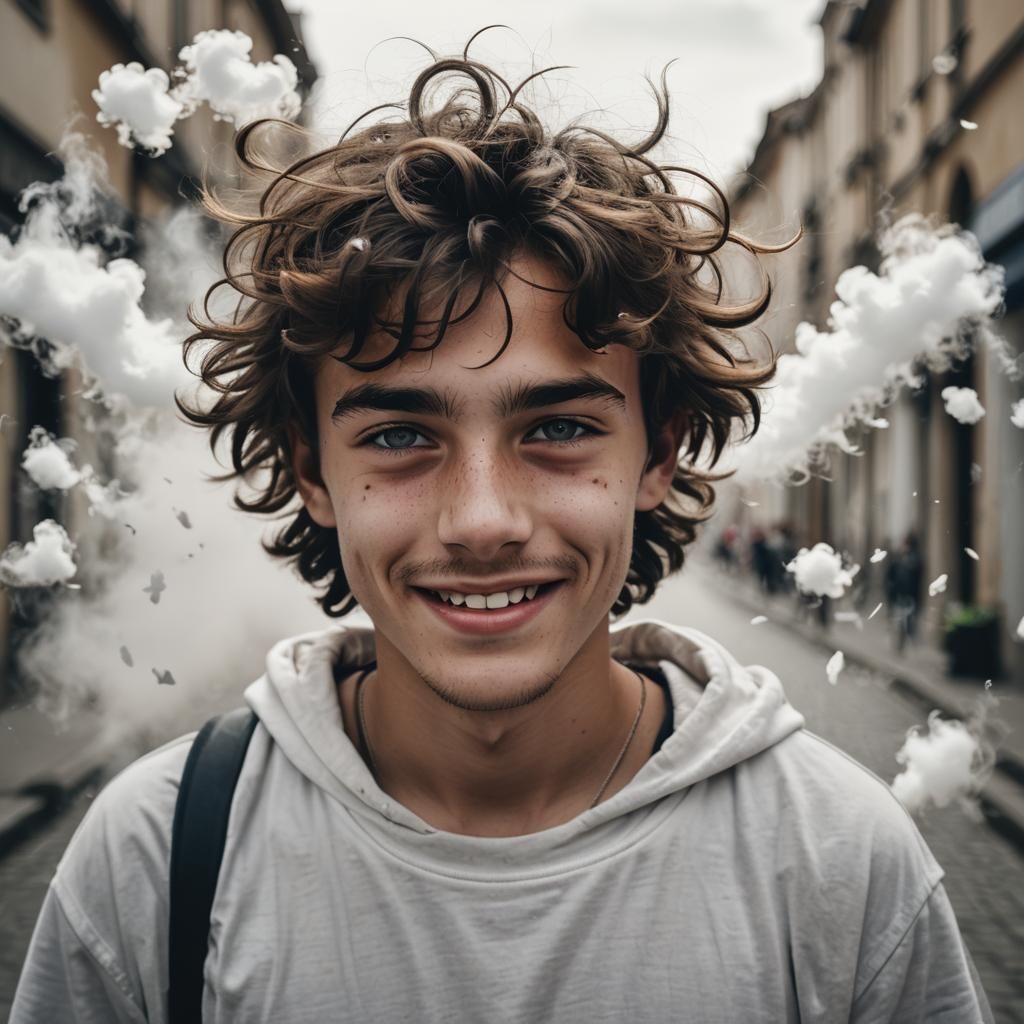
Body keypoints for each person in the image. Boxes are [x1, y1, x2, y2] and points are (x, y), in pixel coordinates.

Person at [11, 36, 993, 1023]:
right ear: (313, 470)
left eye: (559, 428)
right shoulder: (154, 858)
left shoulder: (843, 865)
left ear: (660, 453)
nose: (481, 520)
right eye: (399, 433)